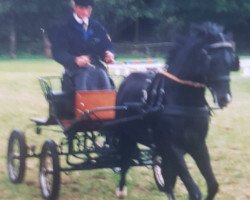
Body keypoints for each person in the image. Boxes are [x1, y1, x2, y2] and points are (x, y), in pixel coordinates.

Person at [49, 0, 115, 91]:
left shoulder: (97, 26)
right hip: (74, 69)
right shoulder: (63, 27)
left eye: (88, 8)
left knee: (103, 77)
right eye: (81, 8)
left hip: (97, 67)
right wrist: (75, 60)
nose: (85, 12)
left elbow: (106, 45)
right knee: (84, 77)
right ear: (75, 7)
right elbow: (58, 53)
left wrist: (108, 54)